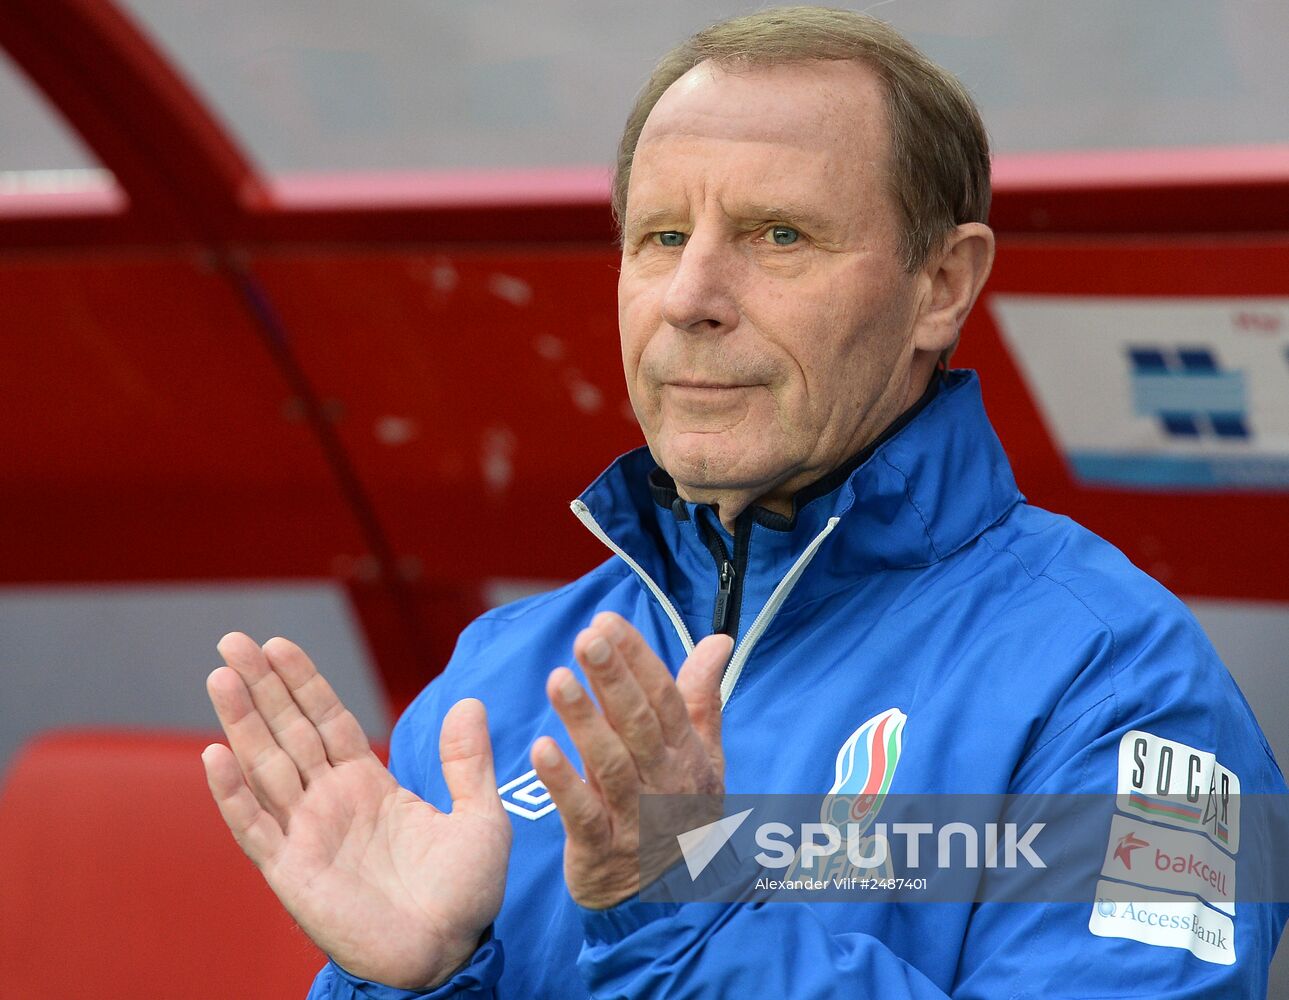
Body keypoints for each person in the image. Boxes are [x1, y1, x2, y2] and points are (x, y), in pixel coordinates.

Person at [202, 7, 1287, 998]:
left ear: (941, 285)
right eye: (662, 237)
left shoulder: (1126, 688)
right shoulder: (495, 684)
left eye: (779, 235)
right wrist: (418, 982)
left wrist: (692, 916)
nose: (690, 298)